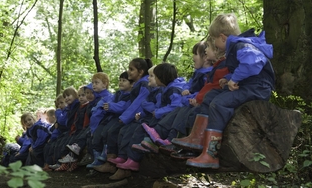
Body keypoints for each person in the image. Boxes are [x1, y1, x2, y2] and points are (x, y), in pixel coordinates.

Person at [171, 13, 275, 169]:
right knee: (210, 95)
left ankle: (211, 154)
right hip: (248, 86)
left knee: (219, 103)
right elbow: (242, 67)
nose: (213, 44)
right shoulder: (235, 47)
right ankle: (198, 138)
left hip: (258, 88)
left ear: (222, 37)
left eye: (213, 40)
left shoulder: (241, 45)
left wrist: (234, 79)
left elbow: (253, 64)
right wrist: (229, 78)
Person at [109, 63, 185, 180]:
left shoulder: (171, 90)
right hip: (156, 117)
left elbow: (173, 106)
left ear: (161, 77)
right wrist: (144, 113)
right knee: (128, 130)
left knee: (138, 130)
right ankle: (126, 157)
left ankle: (133, 159)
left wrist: (156, 111)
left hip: (162, 121)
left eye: (152, 76)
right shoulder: (162, 89)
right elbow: (149, 105)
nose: (148, 78)